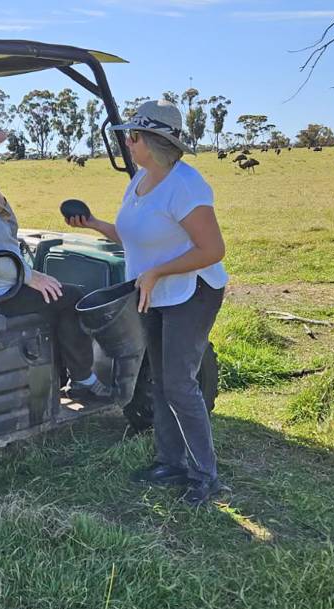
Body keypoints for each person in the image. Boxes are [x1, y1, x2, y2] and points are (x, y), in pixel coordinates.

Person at [66, 100, 228, 507]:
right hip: (152, 292)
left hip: (191, 292)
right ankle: (169, 461)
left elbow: (212, 249)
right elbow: (136, 235)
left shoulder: (185, 186)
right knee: (158, 379)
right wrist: (95, 226)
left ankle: (205, 475)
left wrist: (157, 273)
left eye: (130, 136)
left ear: (146, 140)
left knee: (178, 383)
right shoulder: (139, 180)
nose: (126, 142)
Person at [0, 119, 110, 399]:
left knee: (53, 291)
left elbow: (6, 234)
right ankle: (83, 380)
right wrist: (29, 276)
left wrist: (0, 204)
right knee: (71, 297)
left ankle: (61, 371)